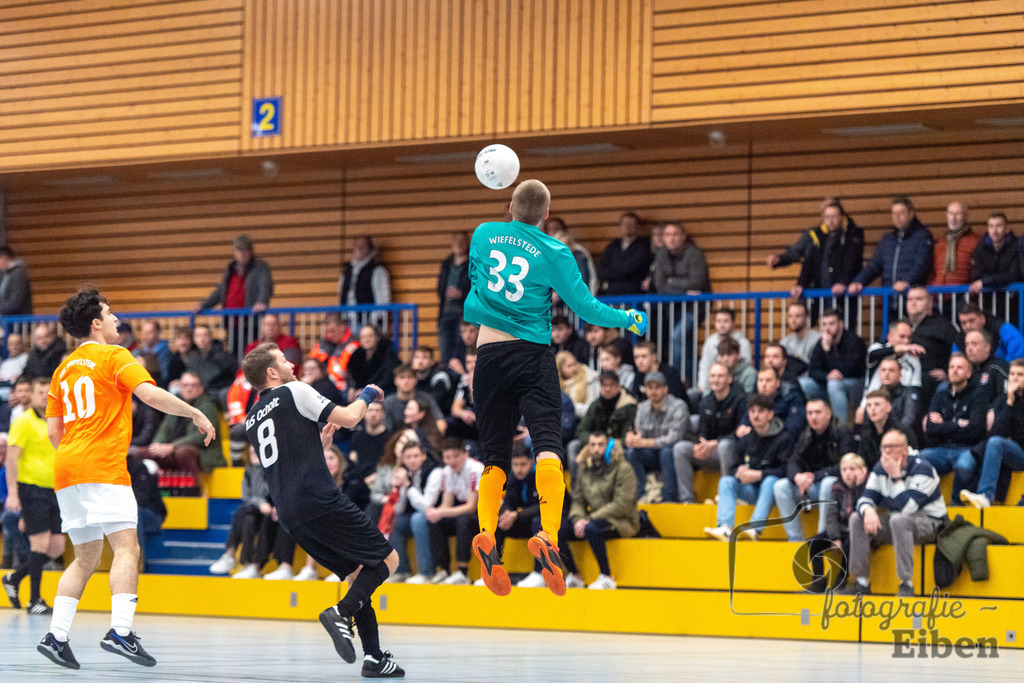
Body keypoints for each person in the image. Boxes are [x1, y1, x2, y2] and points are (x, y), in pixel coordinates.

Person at [463, 179, 647, 598]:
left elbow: (476, 280)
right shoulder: (556, 250)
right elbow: (585, 308)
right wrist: (628, 319)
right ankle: (547, 534)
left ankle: (487, 533)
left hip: (488, 356)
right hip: (532, 354)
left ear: (510, 205)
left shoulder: (484, 233)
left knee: (493, 455)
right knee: (547, 445)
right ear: (547, 215)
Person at [38, 288, 215, 670]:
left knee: (84, 557)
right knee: (126, 548)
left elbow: (54, 430)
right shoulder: (115, 355)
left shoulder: (63, 368)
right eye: (110, 312)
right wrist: (195, 414)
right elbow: (149, 394)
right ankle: (120, 631)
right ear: (97, 324)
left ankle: (56, 635)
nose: (117, 319)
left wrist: (76, 451)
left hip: (68, 467)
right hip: (102, 465)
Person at [241, 343, 404, 677]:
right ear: (272, 372)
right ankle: (340, 614)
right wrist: (369, 393)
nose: (292, 365)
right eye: (284, 360)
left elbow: (284, 459)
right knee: (388, 560)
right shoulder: (293, 391)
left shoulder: (251, 419)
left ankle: (373, 658)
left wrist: (319, 447)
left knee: (359, 577)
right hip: (316, 498)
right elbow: (348, 417)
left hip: (288, 511)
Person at [844, 430, 946, 597]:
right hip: (899, 522)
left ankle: (906, 584)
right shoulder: (880, 469)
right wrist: (869, 510)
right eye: (883, 447)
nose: (886, 451)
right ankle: (862, 582)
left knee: (899, 519)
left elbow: (907, 508)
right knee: (857, 518)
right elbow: (865, 498)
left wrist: (895, 477)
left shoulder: (923, 468)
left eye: (892, 447)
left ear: (905, 449)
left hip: (931, 523)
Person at [2, 378, 66, 615]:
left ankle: (14, 578)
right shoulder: (24, 422)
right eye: (40, 392)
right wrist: (13, 494)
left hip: (57, 490)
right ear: (32, 395)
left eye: (48, 393)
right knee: (40, 544)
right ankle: (35, 600)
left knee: (57, 547)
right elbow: (11, 458)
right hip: (32, 489)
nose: (44, 396)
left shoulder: (59, 422)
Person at [705, 394, 793, 542]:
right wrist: (738, 471)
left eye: (760, 411)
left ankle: (754, 528)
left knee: (771, 481)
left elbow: (786, 470)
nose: (755, 415)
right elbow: (734, 466)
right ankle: (725, 527)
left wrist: (760, 474)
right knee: (726, 481)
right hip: (751, 490)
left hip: (774, 493)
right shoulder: (746, 438)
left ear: (770, 414)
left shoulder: (784, 438)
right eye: (752, 411)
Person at [563, 432, 639, 590]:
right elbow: (577, 500)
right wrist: (578, 519)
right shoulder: (585, 469)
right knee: (557, 530)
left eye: (600, 444)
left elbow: (621, 505)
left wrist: (588, 520)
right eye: (592, 444)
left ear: (610, 446)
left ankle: (607, 576)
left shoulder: (624, 469)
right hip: (594, 519)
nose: (596, 449)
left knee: (592, 528)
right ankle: (574, 575)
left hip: (622, 521)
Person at [775, 398, 854, 542]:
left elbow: (846, 465)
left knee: (827, 483)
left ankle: (822, 537)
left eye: (818, 412)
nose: (813, 417)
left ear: (829, 414)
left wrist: (814, 477)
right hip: (810, 486)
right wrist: (798, 477)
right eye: (809, 413)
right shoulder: (806, 433)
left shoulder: (842, 432)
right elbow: (793, 460)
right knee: (780, 486)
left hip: (835, 488)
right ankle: (795, 539)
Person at [918, 354, 987, 505]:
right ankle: (925, 504)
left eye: (959, 367)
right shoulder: (940, 394)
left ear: (968, 373)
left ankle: (957, 506)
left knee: (964, 464)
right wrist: (958, 424)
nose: (954, 371)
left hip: (967, 448)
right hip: (942, 448)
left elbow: (975, 429)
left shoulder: (978, 395)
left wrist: (944, 425)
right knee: (919, 459)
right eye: (951, 367)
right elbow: (930, 428)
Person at [673, 362, 745, 504]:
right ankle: (687, 500)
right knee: (680, 448)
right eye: (713, 376)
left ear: (729, 379)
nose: (715, 380)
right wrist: (703, 445)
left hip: (735, 454)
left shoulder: (740, 399)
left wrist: (716, 443)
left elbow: (740, 433)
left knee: (724, 445)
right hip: (712, 453)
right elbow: (703, 431)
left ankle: (727, 497)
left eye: (720, 376)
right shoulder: (706, 401)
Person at [767, 198, 863, 301]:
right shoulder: (815, 235)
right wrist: (781, 259)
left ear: (842, 216)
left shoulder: (853, 234)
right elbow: (806, 261)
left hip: (842, 294)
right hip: (817, 292)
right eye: (827, 216)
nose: (831, 220)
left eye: (834, 216)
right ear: (822, 217)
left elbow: (851, 262)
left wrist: (843, 282)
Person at [194, 234, 274, 356]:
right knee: (234, 354)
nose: (242, 253)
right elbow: (221, 291)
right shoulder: (231, 269)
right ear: (235, 252)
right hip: (232, 322)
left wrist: (262, 301)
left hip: (251, 321)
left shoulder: (260, 267)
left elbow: (265, 286)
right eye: (239, 250)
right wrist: (204, 305)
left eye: (245, 250)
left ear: (250, 251)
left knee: (251, 353)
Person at [961, 359, 1024, 508]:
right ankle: (985, 496)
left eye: (1020, 374)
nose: (1015, 378)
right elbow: (996, 433)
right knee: (995, 442)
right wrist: (1009, 402)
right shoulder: (1004, 399)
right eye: (1012, 374)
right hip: (1016, 452)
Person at [652, 220, 711, 376]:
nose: (672, 239)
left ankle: (679, 378)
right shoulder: (661, 255)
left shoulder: (694, 254)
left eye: (675, 234)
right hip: (672, 308)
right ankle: (690, 378)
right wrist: (684, 291)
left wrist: (671, 282)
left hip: (695, 307)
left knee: (677, 337)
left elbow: (697, 282)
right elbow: (660, 286)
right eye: (668, 235)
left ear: (683, 236)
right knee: (686, 343)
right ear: (663, 238)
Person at [422, 438, 484, 586]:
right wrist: (435, 512)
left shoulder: (475, 470)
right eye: (448, 457)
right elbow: (446, 504)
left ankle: (463, 572)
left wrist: (441, 511)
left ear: (465, 454)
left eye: (456, 456)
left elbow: (471, 507)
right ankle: (443, 569)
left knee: (464, 520)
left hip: (486, 513)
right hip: (465, 512)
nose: (452, 461)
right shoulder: (446, 472)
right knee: (436, 521)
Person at [207, 447, 276, 579]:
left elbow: (268, 492)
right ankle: (247, 563)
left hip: (271, 510)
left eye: (256, 452)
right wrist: (259, 502)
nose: (253, 455)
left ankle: (231, 554)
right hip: (254, 511)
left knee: (243, 511)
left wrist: (260, 502)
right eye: (251, 453)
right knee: (247, 517)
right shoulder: (248, 471)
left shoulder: (271, 471)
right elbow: (246, 496)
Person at [845, 196, 934, 297]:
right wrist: (859, 281)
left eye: (901, 213)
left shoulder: (922, 236)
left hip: (912, 298)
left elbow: (921, 265)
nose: (897, 217)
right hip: (890, 299)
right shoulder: (887, 240)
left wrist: (906, 281)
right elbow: (874, 265)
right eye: (894, 213)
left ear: (911, 214)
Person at [138, 372, 224, 475]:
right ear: (180, 388)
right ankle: (156, 488)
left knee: (183, 452)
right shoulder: (176, 404)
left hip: (204, 453)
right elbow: (164, 429)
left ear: (201, 388)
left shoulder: (208, 406)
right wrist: (157, 444)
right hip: (173, 449)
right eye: (185, 385)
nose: (189, 389)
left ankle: (194, 489)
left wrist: (172, 446)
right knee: (140, 453)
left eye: (193, 385)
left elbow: (200, 437)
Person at [624, 372, 689, 504]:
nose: (653, 391)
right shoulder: (642, 408)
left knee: (667, 451)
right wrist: (633, 439)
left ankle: (669, 498)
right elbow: (640, 433)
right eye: (650, 387)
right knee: (631, 453)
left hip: (673, 454)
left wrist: (644, 442)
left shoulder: (679, 406)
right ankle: (639, 496)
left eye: (657, 387)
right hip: (652, 453)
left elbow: (674, 438)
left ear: (665, 389)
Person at [802, 309, 867, 425]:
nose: (827, 328)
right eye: (824, 324)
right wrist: (827, 376)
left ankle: (841, 427)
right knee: (804, 384)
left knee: (834, 385)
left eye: (831, 323)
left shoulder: (854, 341)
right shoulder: (821, 343)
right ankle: (817, 421)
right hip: (830, 383)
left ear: (841, 324)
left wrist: (827, 351)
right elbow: (813, 371)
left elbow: (847, 370)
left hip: (855, 383)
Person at [391, 439, 442, 584]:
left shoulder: (435, 471)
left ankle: (427, 573)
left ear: (423, 456)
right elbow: (399, 509)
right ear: (403, 459)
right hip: (416, 515)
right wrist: (399, 488)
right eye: (408, 457)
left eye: (415, 456)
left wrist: (408, 485)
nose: (412, 460)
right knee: (394, 520)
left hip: (438, 515)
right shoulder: (404, 473)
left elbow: (427, 505)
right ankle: (401, 571)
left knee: (418, 518)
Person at [905, 286, 957, 406]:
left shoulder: (943, 326)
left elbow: (957, 352)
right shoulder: (900, 325)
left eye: (919, 299)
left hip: (930, 378)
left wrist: (947, 371)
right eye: (910, 299)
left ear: (929, 303)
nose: (913, 303)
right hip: (904, 375)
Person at [969, 212, 1021, 320]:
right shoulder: (980, 249)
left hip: (1013, 304)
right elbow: (977, 275)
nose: (995, 230)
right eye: (991, 226)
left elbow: (1014, 275)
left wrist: (986, 281)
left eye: (999, 226)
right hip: (989, 304)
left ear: (1006, 228)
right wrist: (989, 280)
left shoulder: (1016, 247)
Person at [855, 389, 917, 470]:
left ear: (888, 407)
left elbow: (913, 459)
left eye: (877, 404)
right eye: (869, 405)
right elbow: (862, 461)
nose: (872, 409)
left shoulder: (902, 431)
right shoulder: (866, 433)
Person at [597, 212, 653, 296]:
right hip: (612, 293)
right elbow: (601, 270)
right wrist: (620, 270)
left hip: (634, 293)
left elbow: (633, 267)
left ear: (637, 226)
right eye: (625, 224)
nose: (627, 226)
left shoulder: (644, 246)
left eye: (631, 224)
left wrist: (613, 270)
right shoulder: (612, 246)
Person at [697, 309, 752, 392]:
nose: (722, 325)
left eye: (726, 321)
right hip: (714, 384)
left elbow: (745, 365)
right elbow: (705, 367)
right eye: (718, 321)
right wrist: (702, 386)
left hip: (737, 384)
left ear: (733, 323)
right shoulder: (709, 342)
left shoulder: (743, 343)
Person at [436, 231, 471, 363]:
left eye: (462, 241)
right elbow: (440, 289)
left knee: (460, 348)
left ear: (467, 243)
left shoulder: (472, 264)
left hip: (463, 312)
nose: (459, 243)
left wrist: (461, 294)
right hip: (446, 312)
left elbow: (477, 288)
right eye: (456, 240)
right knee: (445, 348)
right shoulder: (446, 264)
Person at [929, 201, 980, 287]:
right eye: (951, 213)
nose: (953, 218)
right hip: (938, 294)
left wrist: (970, 293)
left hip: (963, 295)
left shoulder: (975, 241)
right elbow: (931, 271)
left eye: (958, 214)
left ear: (965, 216)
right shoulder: (939, 243)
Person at [955, 302, 1024, 363]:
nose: (968, 326)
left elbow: (1018, 344)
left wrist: (1008, 370)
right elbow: (956, 360)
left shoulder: (1001, 328)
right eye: (963, 323)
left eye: (972, 321)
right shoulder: (959, 339)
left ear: (982, 319)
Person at [346, 325, 400, 400]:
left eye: (370, 336)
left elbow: (386, 379)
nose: (367, 340)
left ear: (377, 338)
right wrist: (352, 388)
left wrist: (366, 390)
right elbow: (351, 376)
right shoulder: (356, 356)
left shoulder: (388, 354)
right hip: (361, 391)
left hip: (384, 391)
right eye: (363, 337)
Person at [308, 313, 360, 391]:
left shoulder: (353, 344)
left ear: (342, 327)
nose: (329, 335)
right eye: (327, 331)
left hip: (346, 387)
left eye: (332, 331)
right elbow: (311, 362)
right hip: (323, 384)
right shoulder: (323, 344)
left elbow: (343, 372)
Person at [778, 303, 820, 380]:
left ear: (807, 317)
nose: (793, 320)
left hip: (813, 380)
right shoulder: (785, 342)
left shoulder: (818, 338)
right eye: (790, 316)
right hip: (791, 380)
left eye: (798, 316)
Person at [133, 321, 172, 388]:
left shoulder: (166, 352)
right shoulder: (139, 352)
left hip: (159, 386)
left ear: (158, 333)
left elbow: (165, 377)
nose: (145, 336)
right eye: (144, 333)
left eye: (149, 332)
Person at [0, 245, 33, 316]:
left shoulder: (19, 274)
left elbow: (15, 301)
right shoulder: (4, 274)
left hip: (18, 322)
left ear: (4, 258)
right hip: (7, 320)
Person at [0, 333, 29, 401]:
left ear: (22, 345)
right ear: (8, 346)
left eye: (17, 344)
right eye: (11, 344)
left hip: (16, 393)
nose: (14, 347)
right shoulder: (5, 363)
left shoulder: (26, 358)